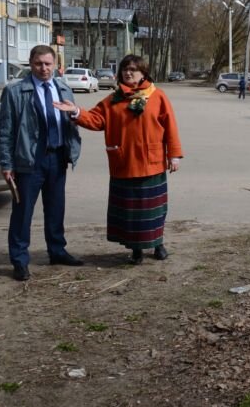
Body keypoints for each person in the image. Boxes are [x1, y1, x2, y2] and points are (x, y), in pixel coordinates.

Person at [54, 55, 183, 265]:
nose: (128, 73)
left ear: (143, 73)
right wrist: (76, 111)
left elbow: (171, 127)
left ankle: (158, 243)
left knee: (154, 210)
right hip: (124, 165)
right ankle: (136, 250)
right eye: (125, 69)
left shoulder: (157, 96)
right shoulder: (113, 100)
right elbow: (96, 120)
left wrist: (174, 155)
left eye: (133, 69)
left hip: (152, 164)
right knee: (131, 213)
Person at [0, 45, 83, 281]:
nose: (44, 68)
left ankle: (57, 251)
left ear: (55, 64)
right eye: (38, 64)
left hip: (57, 158)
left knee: (56, 209)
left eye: (48, 63)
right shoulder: (16, 92)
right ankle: (19, 260)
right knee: (22, 212)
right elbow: (6, 130)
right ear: (31, 64)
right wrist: (6, 163)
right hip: (29, 161)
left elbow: (72, 121)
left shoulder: (63, 88)